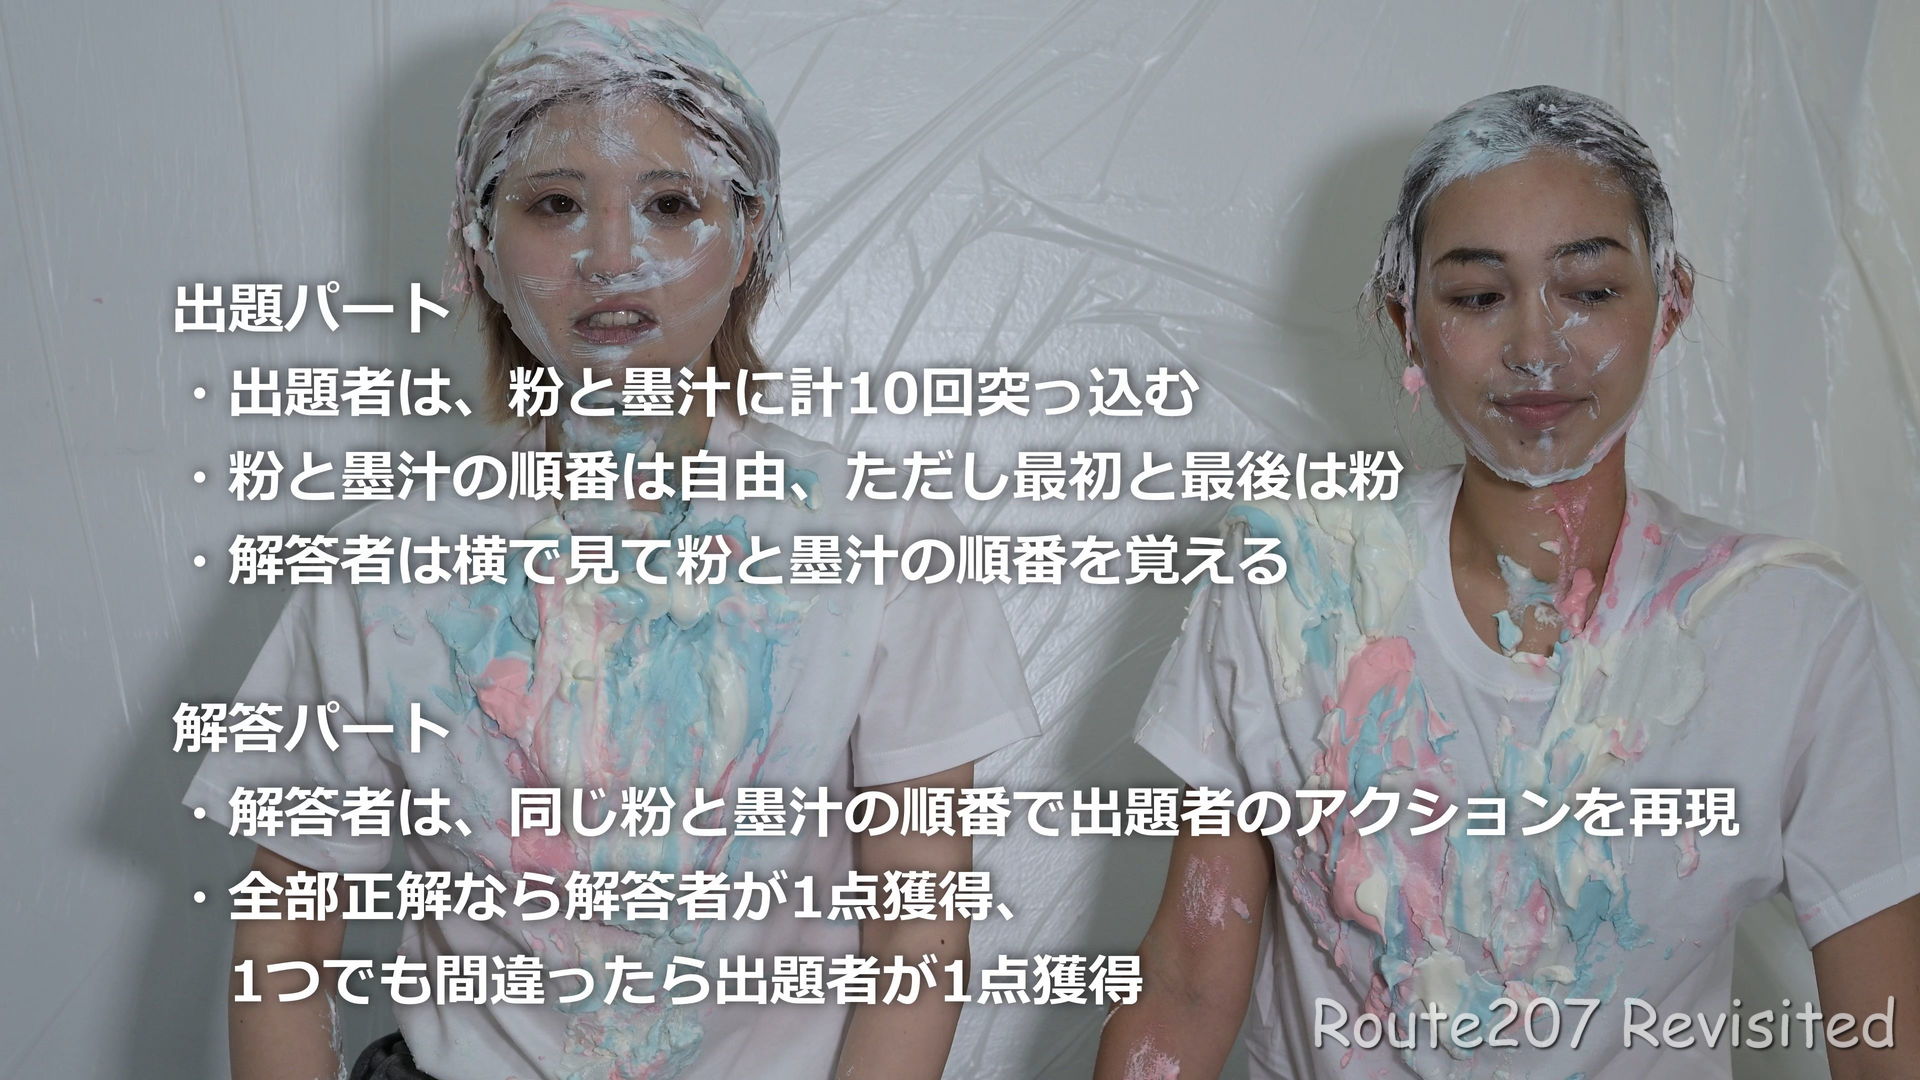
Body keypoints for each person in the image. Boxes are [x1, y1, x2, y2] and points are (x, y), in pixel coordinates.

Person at [184, 4, 1040, 1079]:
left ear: (749, 240)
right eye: (555, 204)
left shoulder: (882, 538)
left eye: (672, 204)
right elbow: (284, 949)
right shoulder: (382, 572)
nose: (613, 256)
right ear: (479, 248)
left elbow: (918, 936)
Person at [1098, 85, 1920, 1079]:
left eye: (1591, 291)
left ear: (1670, 303)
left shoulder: (1790, 627)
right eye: (1479, 297)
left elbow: (1886, 1042)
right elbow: (1185, 989)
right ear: (1407, 322)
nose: (1536, 349)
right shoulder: (1293, 588)